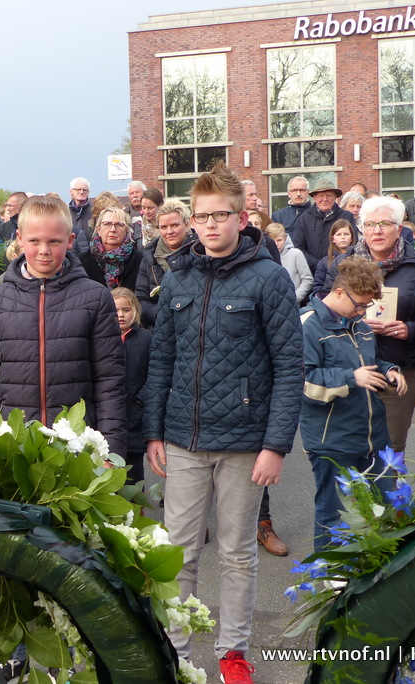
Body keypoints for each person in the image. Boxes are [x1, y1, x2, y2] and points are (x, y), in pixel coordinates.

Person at [144, 162, 302, 683]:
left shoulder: (269, 278)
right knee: (178, 554)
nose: (210, 225)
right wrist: (153, 431)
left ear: (241, 217)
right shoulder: (177, 277)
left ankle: (233, 651)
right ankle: (175, 650)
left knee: (236, 553)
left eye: (220, 215)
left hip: (244, 443)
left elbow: (289, 365)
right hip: (183, 439)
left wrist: (276, 445)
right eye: (202, 216)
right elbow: (161, 360)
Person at [0, 195, 127, 458]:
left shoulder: (95, 297)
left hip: (76, 445)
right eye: (34, 241)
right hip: (12, 445)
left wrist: (110, 450)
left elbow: (109, 380)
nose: (44, 250)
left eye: (54, 241)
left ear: (70, 241)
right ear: (19, 238)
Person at [300, 256, 405, 551]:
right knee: (334, 516)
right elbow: (302, 383)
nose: (362, 312)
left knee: (386, 508)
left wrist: (389, 370)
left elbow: (370, 363)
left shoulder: (360, 324)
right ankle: (329, 572)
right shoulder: (307, 325)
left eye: (366, 306)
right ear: (338, 292)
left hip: (373, 437)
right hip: (332, 440)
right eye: (359, 305)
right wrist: (350, 378)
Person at [322, 196, 415, 455]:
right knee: (349, 452)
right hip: (351, 371)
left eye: (385, 224)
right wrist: (353, 319)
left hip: (399, 371)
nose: (377, 231)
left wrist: (410, 329)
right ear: (361, 228)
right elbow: (324, 308)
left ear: (399, 228)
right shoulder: (343, 264)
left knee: (389, 453)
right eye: (370, 224)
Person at [112, 287, 151, 486]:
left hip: (135, 415)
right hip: (110, 413)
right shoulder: (102, 337)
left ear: (135, 310)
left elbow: (155, 373)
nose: (121, 315)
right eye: (116, 310)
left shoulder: (146, 338)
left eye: (126, 310)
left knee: (134, 470)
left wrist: (140, 398)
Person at [136, 201, 195, 328]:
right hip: (160, 326)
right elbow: (140, 299)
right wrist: (161, 314)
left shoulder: (200, 251)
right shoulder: (150, 256)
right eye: (163, 227)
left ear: (187, 225)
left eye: (175, 225)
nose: (169, 231)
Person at [290, 176, 356, 272]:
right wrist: (319, 265)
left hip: (342, 272)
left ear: (335, 197)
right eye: (321, 195)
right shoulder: (304, 219)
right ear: (314, 198)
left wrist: (337, 264)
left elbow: (353, 244)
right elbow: (299, 248)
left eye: (329, 195)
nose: (325, 199)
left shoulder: (347, 217)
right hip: (313, 273)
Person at [79, 207, 143, 291]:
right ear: (98, 229)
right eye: (107, 224)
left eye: (119, 225)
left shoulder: (140, 260)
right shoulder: (81, 261)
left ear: (126, 230)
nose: (113, 230)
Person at [264, 223, 312, 304]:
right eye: (272, 240)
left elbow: (307, 279)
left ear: (285, 238)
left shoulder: (296, 254)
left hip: (292, 303)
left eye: (279, 240)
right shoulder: (265, 257)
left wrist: (295, 298)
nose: (276, 244)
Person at [310, 220, 355, 295]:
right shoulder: (324, 262)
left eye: (346, 234)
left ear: (351, 238)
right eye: (339, 234)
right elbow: (318, 287)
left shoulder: (358, 258)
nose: (343, 237)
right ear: (333, 239)